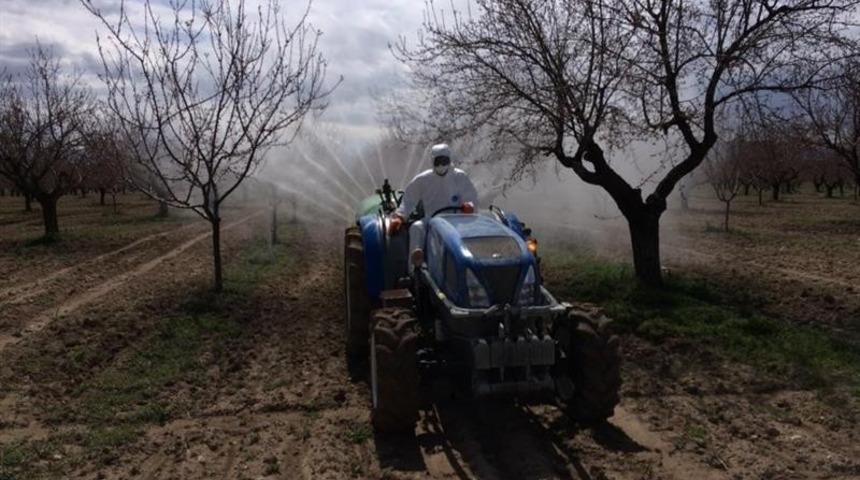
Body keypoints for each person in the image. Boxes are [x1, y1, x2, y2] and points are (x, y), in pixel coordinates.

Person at [389, 144, 478, 265]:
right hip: (431, 221)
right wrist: (399, 217)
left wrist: (469, 206)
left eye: (444, 161)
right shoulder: (423, 179)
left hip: (456, 221)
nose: (441, 165)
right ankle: (415, 267)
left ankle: (472, 264)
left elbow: (471, 198)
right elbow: (409, 199)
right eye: (438, 161)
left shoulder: (460, 177)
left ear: (449, 159)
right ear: (432, 161)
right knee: (416, 227)